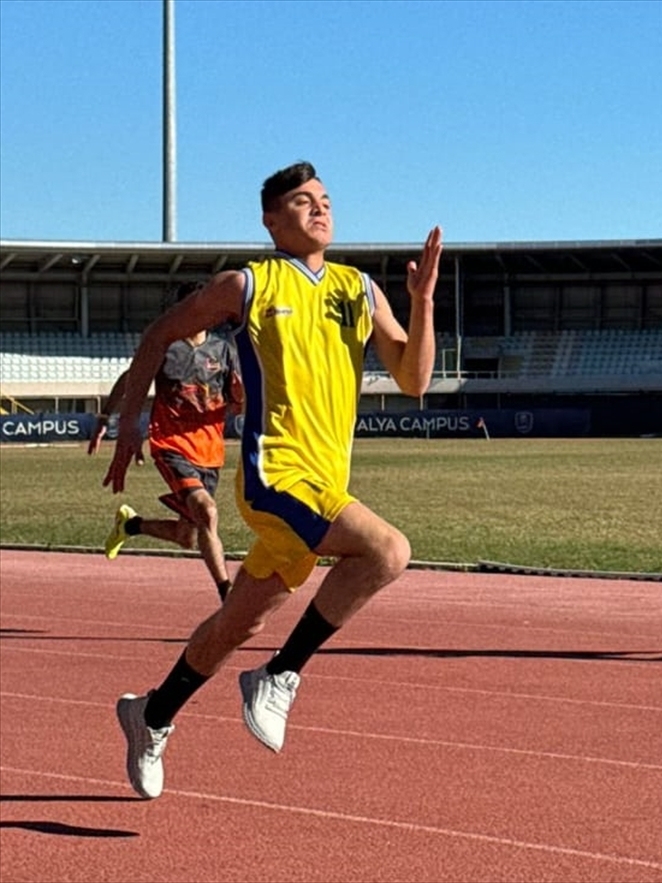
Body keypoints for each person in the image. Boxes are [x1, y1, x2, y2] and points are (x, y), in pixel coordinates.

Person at [103, 160, 443, 799]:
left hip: (325, 483)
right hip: (274, 477)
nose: (320, 208)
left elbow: (413, 378)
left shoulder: (359, 289)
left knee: (238, 624)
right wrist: (129, 426)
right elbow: (158, 334)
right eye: (302, 201)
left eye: (325, 199)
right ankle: (280, 676)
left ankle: (150, 714)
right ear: (270, 219)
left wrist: (421, 303)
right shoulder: (248, 285)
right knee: (388, 550)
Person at [89, 281, 243, 604]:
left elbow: (236, 400)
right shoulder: (166, 346)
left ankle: (131, 525)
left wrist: (246, 399)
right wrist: (106, 418)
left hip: (210, 453)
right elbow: (129, 380)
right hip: (171, 445)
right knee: (208, 512)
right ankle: (228, 595)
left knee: (187, 535)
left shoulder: (223, 350)